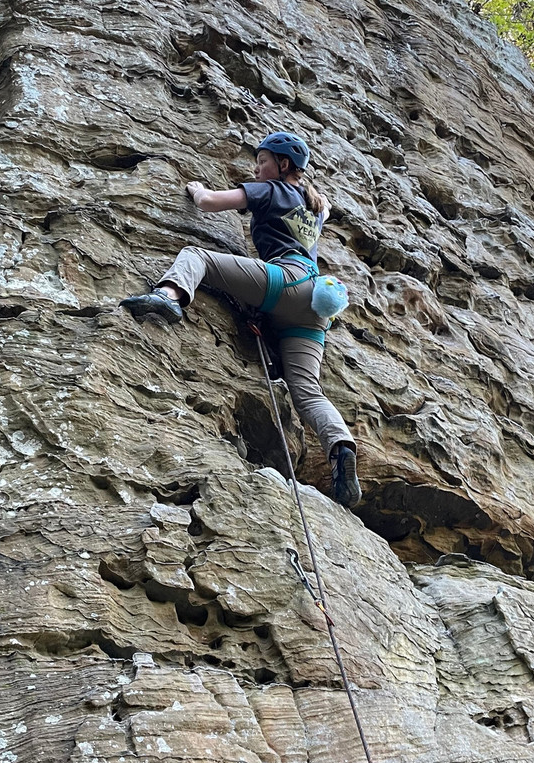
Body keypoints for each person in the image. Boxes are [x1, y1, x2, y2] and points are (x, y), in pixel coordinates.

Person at [120, 132, 361, 508]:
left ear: (283, 165)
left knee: (197, 255)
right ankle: (341, 448)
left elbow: (212, 203)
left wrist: (197, 188)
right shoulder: (314, 207)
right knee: (307, 391)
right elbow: (326, 208)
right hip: (315, 308)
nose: (256, 167)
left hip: (285, 281)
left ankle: (168, 297)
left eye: (262, 160)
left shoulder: (271, 190)